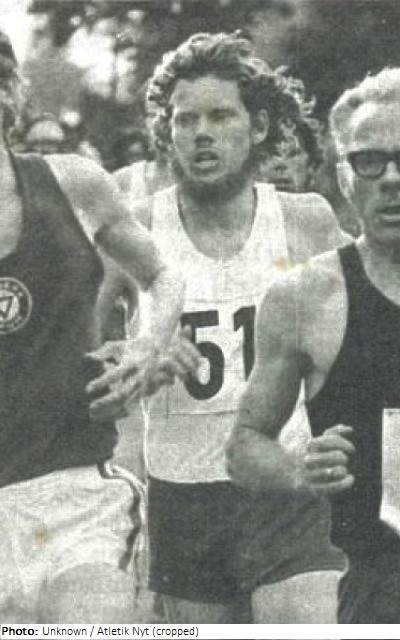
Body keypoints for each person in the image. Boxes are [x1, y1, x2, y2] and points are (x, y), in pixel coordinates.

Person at [128, 31, 349, 624]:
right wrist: (138, 356)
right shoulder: (137, 230)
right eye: (185, 119)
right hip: (182, 496)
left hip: (286, 489)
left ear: (258, 126)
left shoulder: (304, 220)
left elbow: (372, 325)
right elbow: (85, 361)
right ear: (167, 132)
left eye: (221, 115)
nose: (201, 132)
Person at [0, 30, 184, 623]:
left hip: (74, 494)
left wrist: (147, 346)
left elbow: (163, 276)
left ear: (14, 92)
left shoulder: (73, 183)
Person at [227, 66, 400, 624]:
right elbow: (245, 445)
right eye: (370, 161)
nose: (392, 178)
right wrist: (300, 469)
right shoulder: (306, 297)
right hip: (381, 586)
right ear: (345, 178)